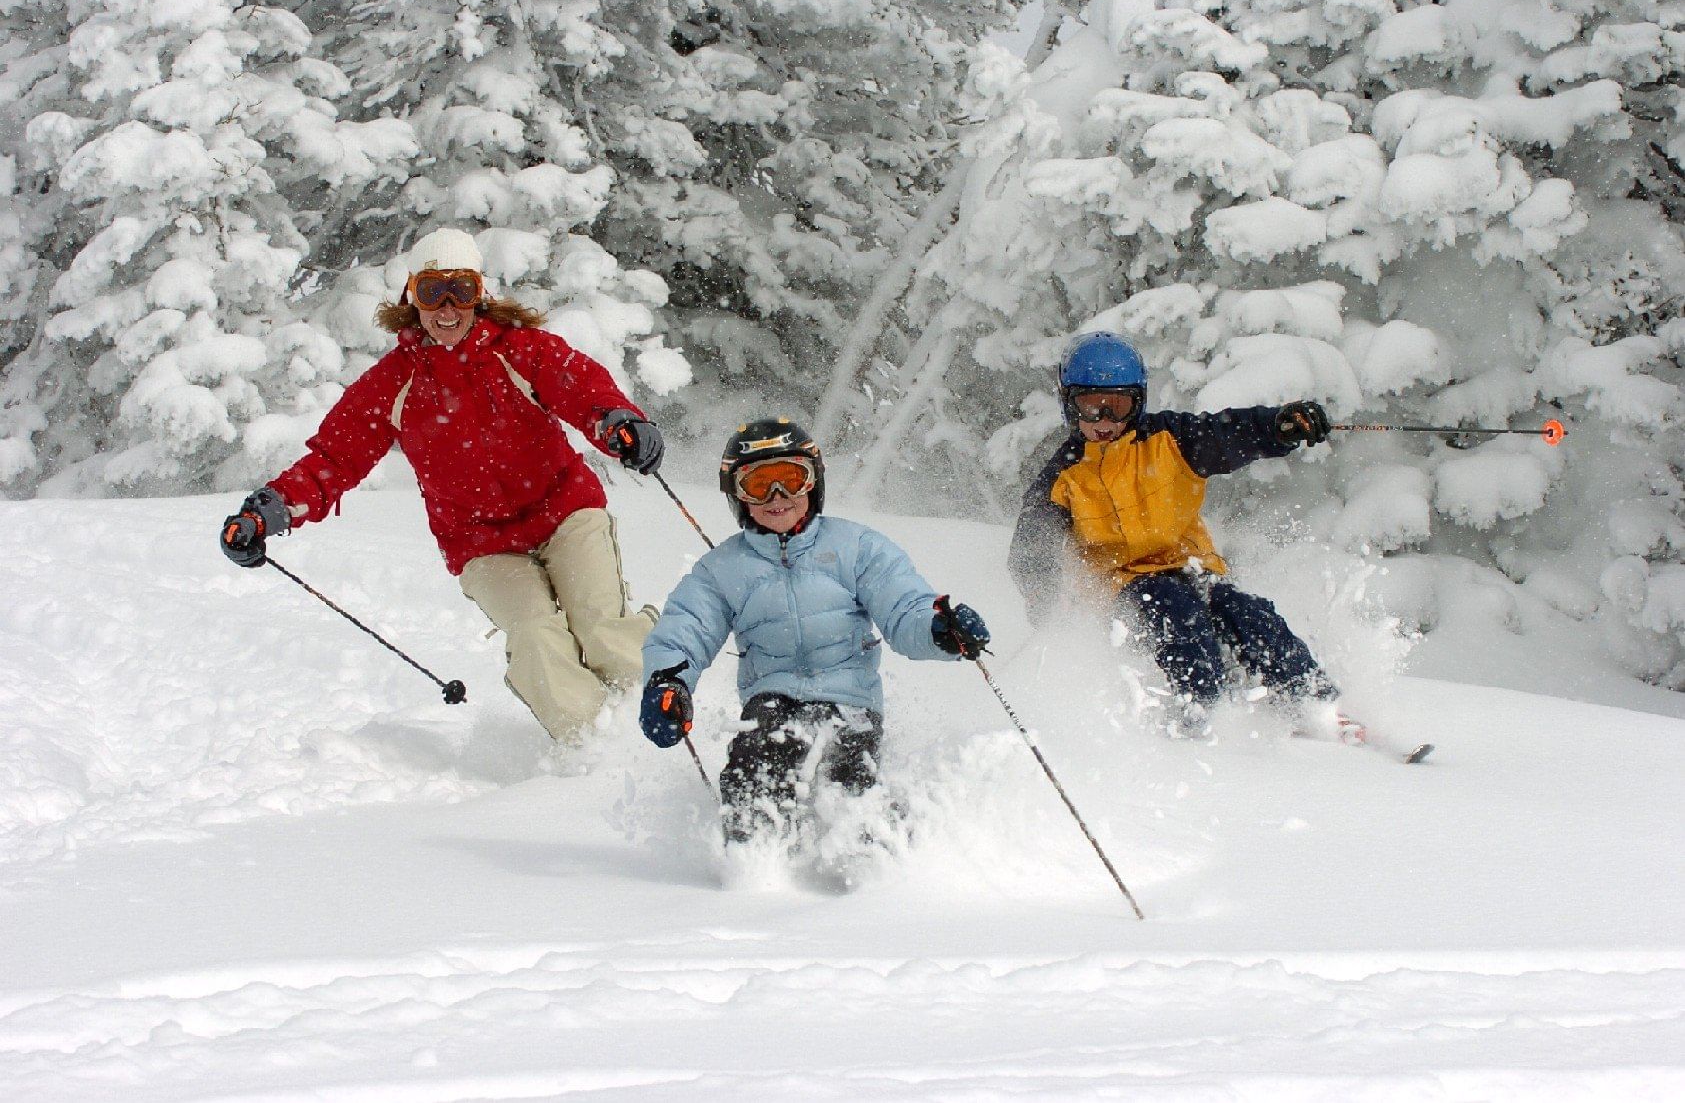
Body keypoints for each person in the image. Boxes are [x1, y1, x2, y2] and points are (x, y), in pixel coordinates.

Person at [219, 228, 665, 747]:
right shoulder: (395, 381)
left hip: (565, 510)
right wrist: (268, 511)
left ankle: (656, 721)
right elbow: (335, 458)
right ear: (412, 296)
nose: (447, 308)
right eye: (433, 291)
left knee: (601, 631)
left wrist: (618, 422)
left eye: (462, 290)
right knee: (537, 637)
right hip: (483, 543)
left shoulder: (518, 350)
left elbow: (580, 386)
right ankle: (599, 748)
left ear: (481, 294)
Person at [638, 418, 992, 845]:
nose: (777, 498)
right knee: (760, 758)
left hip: (849, 697)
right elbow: (686, 629)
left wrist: (939, 629)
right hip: (771, 696)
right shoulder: (723, 569)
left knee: (849, 769)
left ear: (814, 483)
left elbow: (904, 609)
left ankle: (878, 856)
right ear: (737, 495)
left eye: (791, 478)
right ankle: (758, 860)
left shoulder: (856, 547)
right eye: (758, 484)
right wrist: (668, 682)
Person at [1009, 330, 1338, 738]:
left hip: (1188, 564)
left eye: (1119, 407)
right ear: (1068, 405)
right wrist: (1042, 594)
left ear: (1139, 402)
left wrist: (1280, 428)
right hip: (1119, 582)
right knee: (1176, 614)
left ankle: (1310, 702)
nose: (1105, 423)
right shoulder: (1062, 476)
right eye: (1091, 408)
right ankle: (1203, 711)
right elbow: (1030, 545)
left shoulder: (1171, 440)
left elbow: (1230, 432)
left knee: (1245, 613)